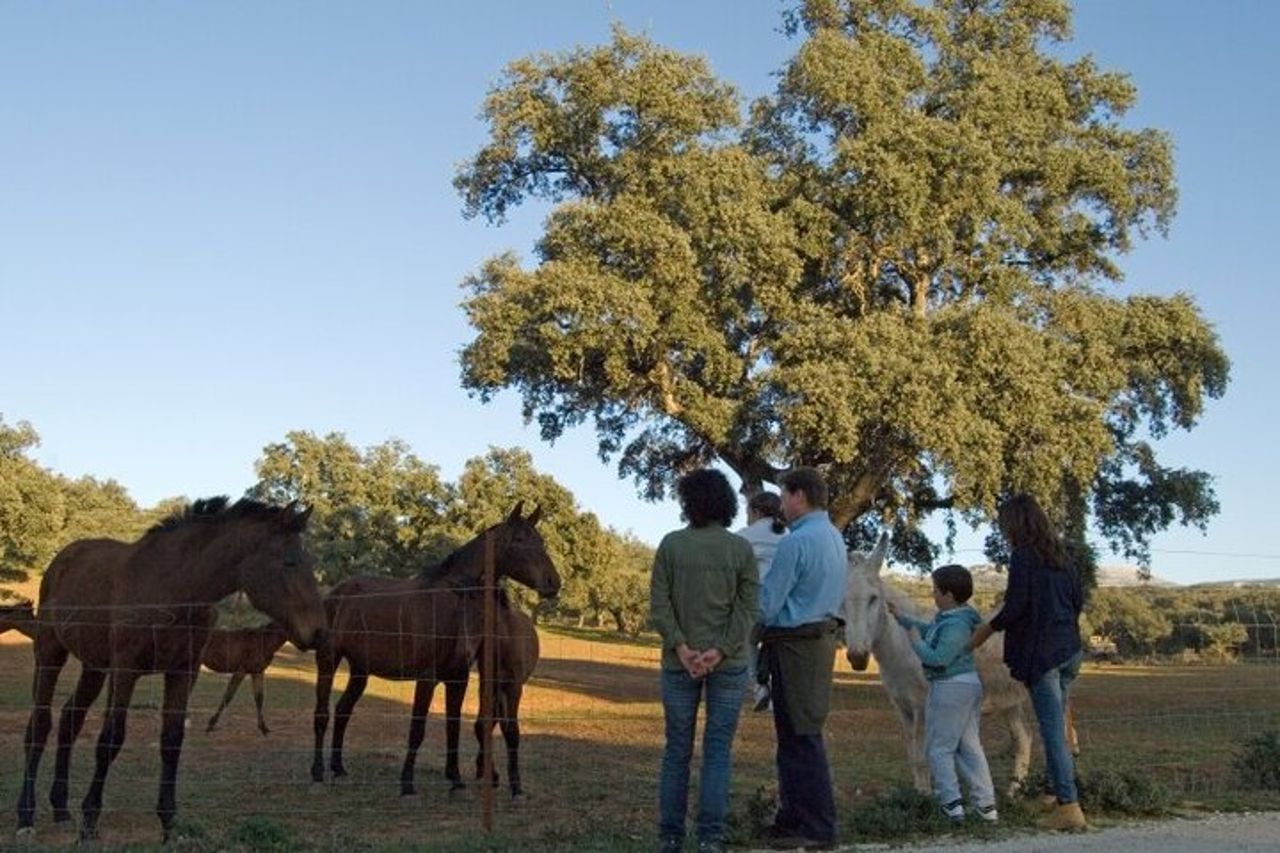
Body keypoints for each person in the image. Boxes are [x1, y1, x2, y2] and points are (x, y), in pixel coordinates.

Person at [649, 468, 761, 853]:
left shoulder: (671, 545)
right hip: (727, 667)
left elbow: (659, 605)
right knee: (717, 752)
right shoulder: (740, 550)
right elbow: (747, 609)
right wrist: (721, 650)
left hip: (678, 664)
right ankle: (710, 838)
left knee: (676, 750)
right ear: (726, 503)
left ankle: (670, 837)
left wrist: (681, 647)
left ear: (688, 502)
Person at [970, 493, 1087, 832]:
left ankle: (1069, 805)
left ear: (1015, 524)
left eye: (1004, 525)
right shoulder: (1063, 556)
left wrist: (984, 632)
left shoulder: (1024, 557)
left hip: (1044, 656)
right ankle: (1052, 795)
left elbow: (1016, 606)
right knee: (1059, 728)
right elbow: (1077, 601)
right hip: (1070, 650)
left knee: (1051, 731)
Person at [757, 467, 846, 850]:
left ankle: (817, 826)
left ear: (799, 496)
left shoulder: (796, 542)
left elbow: (768, 604)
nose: (781, 505)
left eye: (784, 496)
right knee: (801, 732)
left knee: (799, 737)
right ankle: (793, 819)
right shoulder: (834, 537)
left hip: (794, 644)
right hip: (819, 640)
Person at [888, 565, 998, 823]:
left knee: (938, 748)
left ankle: (950, 804)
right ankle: (985, 806)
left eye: (935, 590)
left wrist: (914, 641)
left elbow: (939, 658)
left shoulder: (956, 626)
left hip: (950, 687)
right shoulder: (953, 619)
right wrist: (902, 618)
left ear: (948, 595)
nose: (933, 595)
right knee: (970, 746)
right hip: (966, 686)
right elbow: (931, 630)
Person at [734, 491, 788, 712]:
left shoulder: (744, 536)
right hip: (784, 607)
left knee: (746, 641)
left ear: (755, 511)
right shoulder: (789, 535)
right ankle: (776, 694)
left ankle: (759, 686)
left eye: (747, 511)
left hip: (755, 605)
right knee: (776, 649)